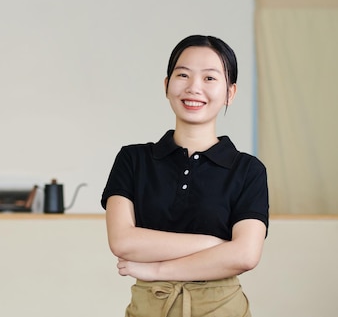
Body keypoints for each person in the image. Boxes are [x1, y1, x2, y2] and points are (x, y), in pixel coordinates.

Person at [101, 35, 269, 317]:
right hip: (149, 308)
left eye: (210, 78)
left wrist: (157, 269)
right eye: (183, 75)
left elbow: (246, 255)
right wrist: (214, 245)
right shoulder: (133, 159)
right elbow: (122, 242)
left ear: (231, 92)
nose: (194, 88)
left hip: (222, 309)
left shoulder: (249, 170)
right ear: (167, 85)